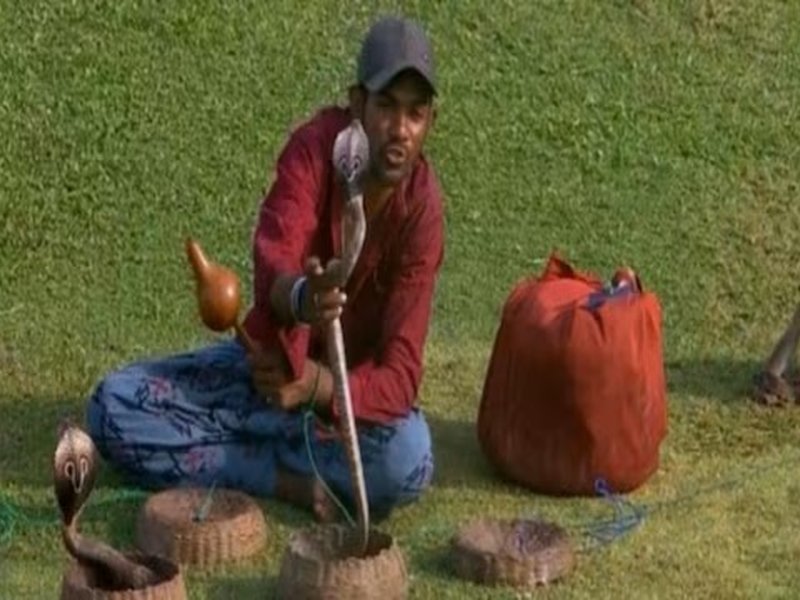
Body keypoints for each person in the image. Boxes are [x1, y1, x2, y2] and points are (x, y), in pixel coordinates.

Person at [86, 15, 444, 523]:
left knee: (409, 460)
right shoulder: (315, 150)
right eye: (386, 105)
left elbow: (401, 375)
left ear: (430, 121)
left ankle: (233, 453)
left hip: (339, 402)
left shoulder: (423, 209)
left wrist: (317, 386)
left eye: (416, 113)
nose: (400, 129)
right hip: (265, 375)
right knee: (110, 407)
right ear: (357, 103)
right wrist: (302, 299)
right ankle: (283, 478)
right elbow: (275, 255)